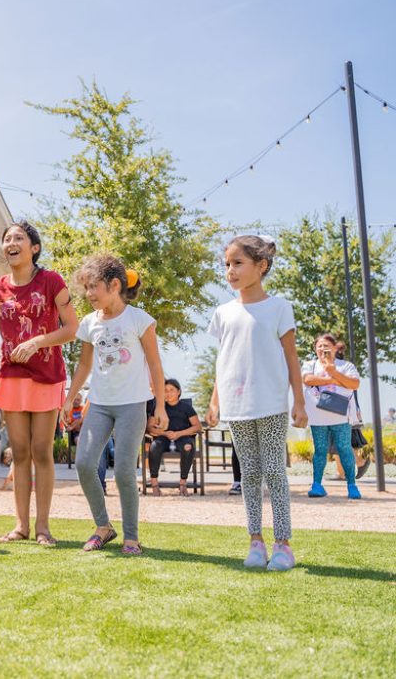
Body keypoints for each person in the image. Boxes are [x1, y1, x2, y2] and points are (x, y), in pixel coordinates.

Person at [207, 235, 306, 572]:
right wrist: (214, 401)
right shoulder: (222, 312)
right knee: (248, 473)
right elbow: (222, 359)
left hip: (272, 402)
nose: (230, 271)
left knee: (275, 471)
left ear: (261, 266)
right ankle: (255, 541)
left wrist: (300, 402)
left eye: (238, 263)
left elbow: (292, 357)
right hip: (237, 405)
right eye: (227, 264)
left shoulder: (279, 307)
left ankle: (283, 545)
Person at [0, 221, 78, 546]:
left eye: (18, 238)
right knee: (20, 453)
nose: (11, 242)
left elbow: (71, 328)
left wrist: (38, 342)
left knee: (41, 451)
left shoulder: (51, 281)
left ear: (34, 248)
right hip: (11, 377)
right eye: (7, 238)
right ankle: (21, 526)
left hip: (48, 376)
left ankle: (43, 527)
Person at [62, 256, 166, 556]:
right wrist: (70, 398)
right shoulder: (89, 322)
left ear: (115, 285)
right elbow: (84, 365)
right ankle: (103, 527)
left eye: (94, 287)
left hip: (133, 404)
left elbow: (155, 366)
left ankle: (131, 537)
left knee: (122, 471)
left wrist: (160, 406)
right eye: (86, 288)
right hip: (99, 404)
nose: (89, 294)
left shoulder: (139, 320)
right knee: (83, 463)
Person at [302, 334, 361, 500]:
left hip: (340, 417)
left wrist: (333, 371)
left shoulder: (346, 366)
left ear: (335, 348)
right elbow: (307, 379)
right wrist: (333, 379)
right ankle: (317, 484)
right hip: (317, 417)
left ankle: (352, 485)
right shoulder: (310, 364)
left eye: (326, 345)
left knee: (344, 449)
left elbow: (354, 383)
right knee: (320, 450)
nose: (322, 349)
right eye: (319, 346)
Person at [147, 378, 202, 497]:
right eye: (165, 390)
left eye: (172, 390)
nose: (168, 393)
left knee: (188, 446)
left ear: (178, 392)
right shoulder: (159, 408)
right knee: (154, 446)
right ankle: (154, 484)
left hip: (182, 437)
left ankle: (182, 483)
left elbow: (197, 426)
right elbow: (150, 428)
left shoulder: (186, 407)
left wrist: (179, 434)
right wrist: (164, 433)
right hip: (164, 437)